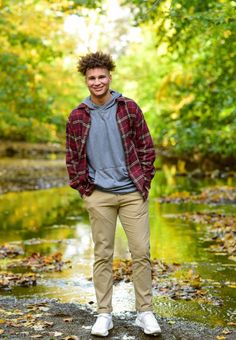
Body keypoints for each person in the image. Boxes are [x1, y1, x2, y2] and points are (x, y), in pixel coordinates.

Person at [66, 51, 161, 337]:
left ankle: (144, 312)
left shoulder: (128, 108)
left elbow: (146, 147)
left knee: (141, 253)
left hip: (132, 192)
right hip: (99, 195)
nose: (97, 82)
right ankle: (104, 314)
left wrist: (143, 180)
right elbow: (72, 157)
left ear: (110, 77)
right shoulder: (77, 116)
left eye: (101, 77)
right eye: (92, 78)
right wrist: (85, 190)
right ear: (86, 81)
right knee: (102, 254)